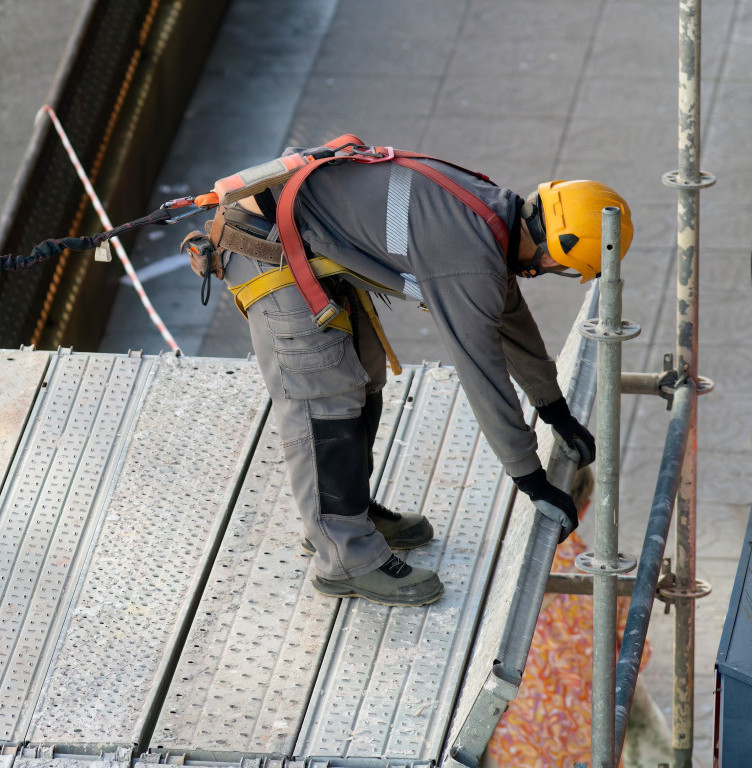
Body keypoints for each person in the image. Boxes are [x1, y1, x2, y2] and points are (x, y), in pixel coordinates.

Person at [190, 139, 630, 607]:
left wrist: (554, 410)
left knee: (363, 374)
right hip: (263, 245)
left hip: (297, 233)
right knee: (325, 398)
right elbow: (483, 373)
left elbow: (509, 320)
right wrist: (532, 480)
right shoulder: (469, 257)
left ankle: (351, 516)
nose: (544, 271)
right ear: (553, 246)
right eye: (555, 265)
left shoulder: (493, 214)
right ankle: (344, 558)